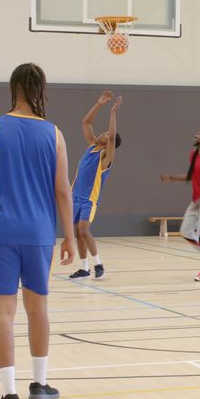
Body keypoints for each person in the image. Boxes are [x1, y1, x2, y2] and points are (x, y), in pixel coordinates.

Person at [0, 63, 77, 399]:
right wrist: (70, 236)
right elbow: (63, 191)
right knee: (38, 309)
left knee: (3, 312)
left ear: (12, 88)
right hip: (39, 234)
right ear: (40, 90)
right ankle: (40, 384)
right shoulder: (54, 133)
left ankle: (9, 394)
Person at [68, 91, 122, 280]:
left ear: (111, 144)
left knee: (84, 230)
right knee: (77, 232)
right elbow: (86, 123)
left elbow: (113, 138)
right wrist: (99, 104)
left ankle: (99, 264)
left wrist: (113, 113)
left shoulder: (106, 157)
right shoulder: (91, 146)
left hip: (89, 200)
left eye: (107, 134)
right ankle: (84, 268)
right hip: (73, 196)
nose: (104, 133)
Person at [160, 129, 200, 282]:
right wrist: (172, 177)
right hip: (197, 200)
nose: (196, 135)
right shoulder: (194, 155)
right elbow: (191, 176)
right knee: (186, 231)